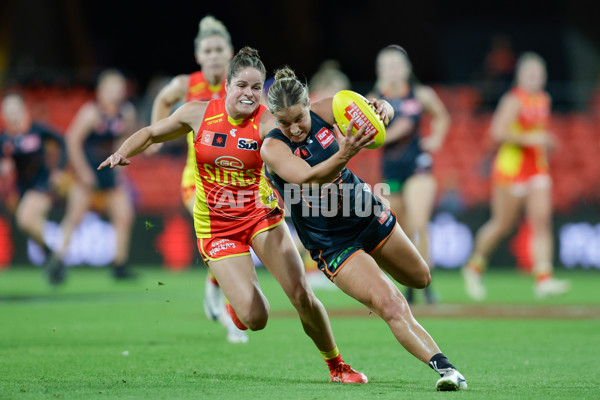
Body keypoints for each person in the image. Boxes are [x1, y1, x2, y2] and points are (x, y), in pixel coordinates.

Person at [99, 47, 368, 384]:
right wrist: (123, 152)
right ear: (227, 85)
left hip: (261, 216)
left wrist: (367, 111)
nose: (249, 94)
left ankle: (337, 366)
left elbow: (312, 115)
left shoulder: (269, 122)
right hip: (216, 228)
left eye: (257, 88)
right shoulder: (197, 114)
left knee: (301, 294)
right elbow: (153, 132)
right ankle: (237, 306)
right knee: (256, 318)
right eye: (242, 85)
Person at [261, 67, 467, 391]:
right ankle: (448, 370)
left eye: (298, 118)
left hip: (365, 213)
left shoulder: (326, 108)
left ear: (307, 105)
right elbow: (309, 178)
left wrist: (384, 109)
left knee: (420, 277)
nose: (294, 128)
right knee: (391, 303)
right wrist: (345, 154)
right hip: (331, 241)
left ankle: (380, 288)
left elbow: (374, 108)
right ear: (274, 117)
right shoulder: (272, 148)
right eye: (284, 122)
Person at [150, 16, 247, 344]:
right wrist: (157, 136)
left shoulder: (241, 85)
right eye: (209, 49)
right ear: (198, 55)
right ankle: (233, 317)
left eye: (220, 49)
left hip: (235, 180)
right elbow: (163, 100)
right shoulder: (186, 84)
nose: (215, 55)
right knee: (223, 231)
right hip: (198, 179)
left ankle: (213, 286)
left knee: (231, 238)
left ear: (230, 52)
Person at [463, 52, 570, 300]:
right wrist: (532, 138)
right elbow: (497, 132)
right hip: (511, 168)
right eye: (529, 73)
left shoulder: (544, 99)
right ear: (520, 76)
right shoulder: (513, 100)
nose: (534, 78)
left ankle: (544, 278)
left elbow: (537, 131)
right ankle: (474, 267)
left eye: (538, 73)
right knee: (502, 224)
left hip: (537, 167)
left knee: (541, 222)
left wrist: (546, 141)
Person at [370, 45, 451, 304]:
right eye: (387, 65)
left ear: (406, 68)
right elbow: (366, 135)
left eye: (397, 65)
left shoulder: (421, 94)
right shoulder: (373, 98)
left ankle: (427, 284)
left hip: (418, 165)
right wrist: (393, 132)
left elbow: (442, 116)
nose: (393, 71)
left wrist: (436, 138)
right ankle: (408, 286)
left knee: (419, 223)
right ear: (380, 71)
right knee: (399, 230)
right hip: (391, 169)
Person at [47, 69, 137, 282]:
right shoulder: (91, 112)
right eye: (111, 88)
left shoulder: (126, 112)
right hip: (87, 174)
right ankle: (57, 262)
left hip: (110, 174)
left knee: (124, 214)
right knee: (75, 217)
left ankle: (119, 265)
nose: (116, 92)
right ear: (101, 91)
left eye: (119, 88)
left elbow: (125, 139)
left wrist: (121, 167)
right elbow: (72, 140)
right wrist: (83, 172)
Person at [0, 92, 67, 283]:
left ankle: (51, 256)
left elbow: (62, 140)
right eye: (7, 111)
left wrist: (59, 170)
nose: (12, 115)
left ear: (23, 110)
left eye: (15, 110)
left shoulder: (37, 130)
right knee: (30, 225)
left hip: (43, 185)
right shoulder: (5, 140)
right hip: (23, 189)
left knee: (23, 220)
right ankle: (54, 258)